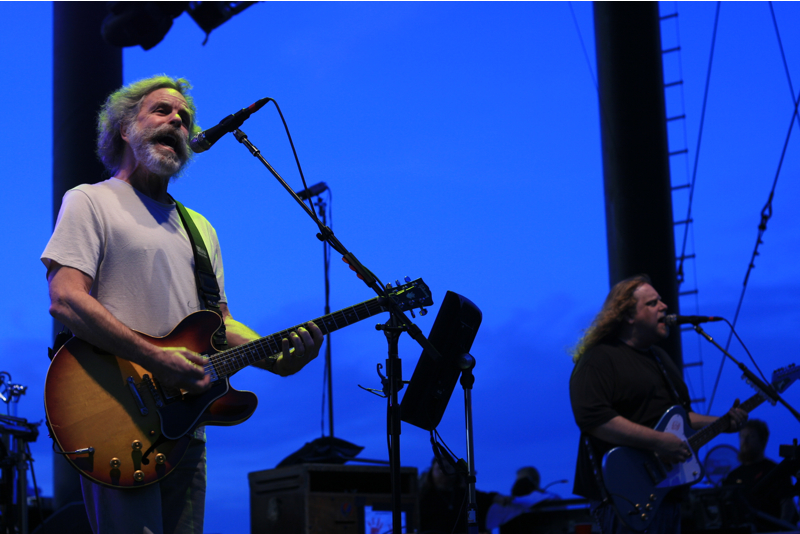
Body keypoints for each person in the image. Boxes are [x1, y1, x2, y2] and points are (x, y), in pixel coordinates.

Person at [42, 75, 323, 534]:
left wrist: (276, 356)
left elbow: (220, 324)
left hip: (188, 425)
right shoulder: (91, 200)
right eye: (162, 110)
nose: (177, 121)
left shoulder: (200, 228)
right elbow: (66, 300)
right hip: (116, 416)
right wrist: (156, 359)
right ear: (124, 129)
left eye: (185, 117)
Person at [569, 274, 747, 534]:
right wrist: (659, 441)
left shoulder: (661, 358)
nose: (664, 306)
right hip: (624, 495)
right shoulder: (599, 359)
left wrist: (723, 422)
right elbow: (594, 419)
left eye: (661, 301)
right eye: (652, 303)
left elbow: (683, 416)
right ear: (628, 315)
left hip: (667, 493)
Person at [723, 419, 798, 531]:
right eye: (742, 436)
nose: (745, 441)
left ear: (763, 441)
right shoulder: (733, 476)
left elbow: (787, 504)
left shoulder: (775, 471)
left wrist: (782, 530)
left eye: (751, 436)